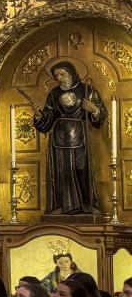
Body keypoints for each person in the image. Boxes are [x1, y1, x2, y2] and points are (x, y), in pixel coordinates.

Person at [33, 60, 105, 215]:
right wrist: (39, 115)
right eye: (56, 75)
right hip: (59, 137)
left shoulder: (88, 91)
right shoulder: (54, 93)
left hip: (80, 136)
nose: (59, 78)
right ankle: (61, 206)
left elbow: (102, 117)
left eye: (62, 74)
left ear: (71, 73)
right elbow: (48, 118)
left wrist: (94, 110)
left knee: (81, 168)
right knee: (61, 170)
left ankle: (87, 205)